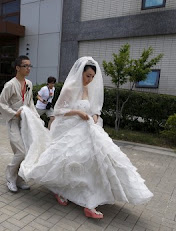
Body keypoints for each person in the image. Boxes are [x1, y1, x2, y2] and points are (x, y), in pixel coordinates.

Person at [19, 57, 153, 219]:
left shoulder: (88, 89)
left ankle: (90, 200)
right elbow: (59, 111)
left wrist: (95, 114)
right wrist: (78, 112)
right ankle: (60, 189)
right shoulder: (70, 88)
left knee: (94, 160)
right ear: (81, 73)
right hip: (71, 128)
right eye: (87, 76)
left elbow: (93, 108)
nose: (90, 79)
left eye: (92, 77)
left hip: (87, 129)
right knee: (69, 161)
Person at [0, 55, 39, 193]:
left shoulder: (29, 84)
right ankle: (10, 177)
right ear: (17, 68)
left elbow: (30, 102)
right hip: (13, 121)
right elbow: (1, 103)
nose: (28, 68)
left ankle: (20, 178)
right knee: (20, 151)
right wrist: (13, 113)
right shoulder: (10, 85)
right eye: (25, 66)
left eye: (29, 66)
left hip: (26, 122)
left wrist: (36, 117)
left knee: (27, 151)